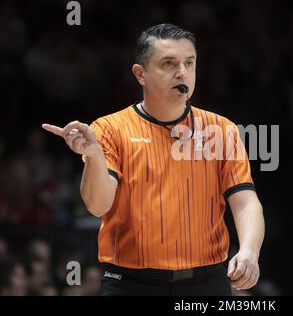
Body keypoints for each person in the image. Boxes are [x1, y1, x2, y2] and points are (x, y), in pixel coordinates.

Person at [42, 23, 265, 296]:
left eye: (189, 63)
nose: (182, 72)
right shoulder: (109, 129)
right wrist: (94, 156)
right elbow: (98, 205)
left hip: (207, 282)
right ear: (140, 74)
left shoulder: (221, 130)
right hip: (130, 284)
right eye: (168, 63)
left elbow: (245, 201)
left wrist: (250, 252)